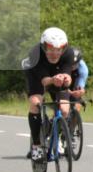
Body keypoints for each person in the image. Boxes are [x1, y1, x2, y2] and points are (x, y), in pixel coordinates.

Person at [22, 27, 74, 162]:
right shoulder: (35, 53)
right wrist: (53, 79)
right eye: (50, 49)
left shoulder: (68, 53)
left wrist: (66, 79)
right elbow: (44, 81)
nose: (55, 53)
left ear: (64, 48)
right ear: (44, 47)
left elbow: (68, 75)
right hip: (37, 75)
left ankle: (55, 133)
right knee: (35, 103)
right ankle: (36, 145)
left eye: (58, 50)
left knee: (64, 109)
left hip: (57, 75)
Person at [67, 46, 88, 113]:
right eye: (71, 63)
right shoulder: (63, 62)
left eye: (75, 64)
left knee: (77, 99)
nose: (73, 66)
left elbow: (80, 87)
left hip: (76, 79)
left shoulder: (83, 70)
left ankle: (75, 118)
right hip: (64, 75)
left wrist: (79, 91)